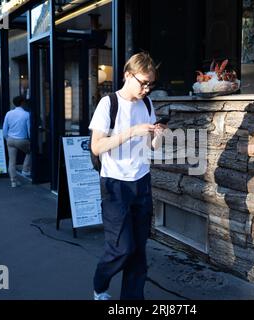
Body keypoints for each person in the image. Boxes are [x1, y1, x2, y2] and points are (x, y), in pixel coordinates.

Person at [89, 52, 167, 300]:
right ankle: (100, 284)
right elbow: (96, 147)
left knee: (139, 252)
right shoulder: (108, 103)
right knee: (121, 248)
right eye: (143, 82)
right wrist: (131, 131)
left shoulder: (147, 104)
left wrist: (158, 135)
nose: (146, 89)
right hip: (115, 184)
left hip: (141, 181)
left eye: (150, 84)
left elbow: (153, 147)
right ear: (127, 75)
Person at [3, 95, 31, 188]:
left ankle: (13, 181)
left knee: (12, 161)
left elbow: (4, 129)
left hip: (10, 140)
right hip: (22, 140)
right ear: (22, 103)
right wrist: (31, 139)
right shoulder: (26, 114)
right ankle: (25, 169)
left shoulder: (8, 113)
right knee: (31, 151)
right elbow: (29, 130)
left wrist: (7, 138)